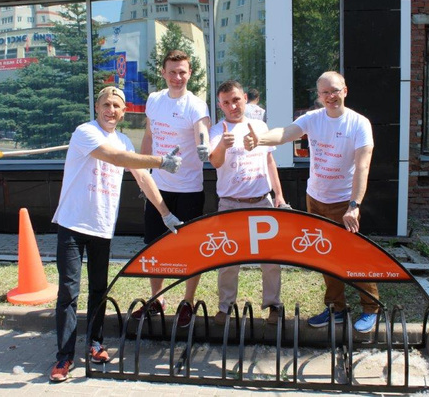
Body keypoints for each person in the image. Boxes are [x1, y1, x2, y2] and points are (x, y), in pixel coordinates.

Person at [49, 86, 184, 382]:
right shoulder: (85, 132)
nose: (111, 110)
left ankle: (95, 344)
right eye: (106, 104)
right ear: (97, 107)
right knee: (69, 293)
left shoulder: (124, 140)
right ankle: (64, 357)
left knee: (99, 290)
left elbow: (142, 177)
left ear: (123, 113)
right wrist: (160, 160)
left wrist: (165, 213)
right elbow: (116, 159)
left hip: (101, 226)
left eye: (116, 106)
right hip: (72, 224)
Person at [243, 71, 378, 333]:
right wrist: (260, 140)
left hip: (343, 202)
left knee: (353, 256)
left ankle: (370, 307)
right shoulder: (313, 118)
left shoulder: (359, 124)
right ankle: (336, 309)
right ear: (319, 95)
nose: (331, 96)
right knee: (325, 255)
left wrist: (354, 205)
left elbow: (363, 167)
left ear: (345, 91)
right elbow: (285, 133)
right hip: (315, 198)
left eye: (335, 90)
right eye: (325, 92)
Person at [134, 49, 211, 328]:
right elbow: (149, 135)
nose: (178, 77)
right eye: (172, 72)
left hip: (189, 189)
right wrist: (144, 170)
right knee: (155, 246)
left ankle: (187, 302)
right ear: (164, 73)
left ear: (189, 73)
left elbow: (202, 129)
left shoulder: (196, 105)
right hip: (159, 187)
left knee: (190, 249)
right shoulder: (154, 100)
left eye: (182, 72)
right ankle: (157, 299)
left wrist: (204, 145)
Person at [209, 80, 286, 326]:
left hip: (261, 201)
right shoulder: (217, 130)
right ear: (220, 105)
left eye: (236, 100)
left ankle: (273, 305)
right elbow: (215, 162)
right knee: (228, 259)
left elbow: (270, 161)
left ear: (244, 98)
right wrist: (223, 144)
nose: (232, 106)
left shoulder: (260, 126)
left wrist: (279, 195)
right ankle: (225, 307)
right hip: (230, 204)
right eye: (226, 102)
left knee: (270, 258)